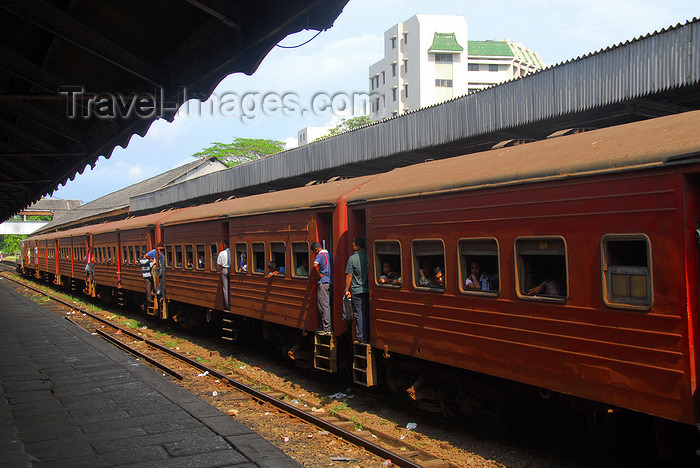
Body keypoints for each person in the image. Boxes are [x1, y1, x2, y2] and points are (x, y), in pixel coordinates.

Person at [345, 237, 369, 343]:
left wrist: (346, 289)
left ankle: (361, 337)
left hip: (357, 290)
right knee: (366, 312)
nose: (353, 247)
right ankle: (368, 335)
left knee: (359, 314)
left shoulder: (352, 259)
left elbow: (349, 275)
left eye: (354, 245)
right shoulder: (369, 255)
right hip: (367, 289)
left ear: (358, 246)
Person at [311, 241, 332, 335]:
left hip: (323, 282)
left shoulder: (320, 255)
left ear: (316, 249)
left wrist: (319, 274)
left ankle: (326, 328)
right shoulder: (329, 254)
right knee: (327, 304)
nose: (314, 254)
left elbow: (315, 265)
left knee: (323, 305)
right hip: (330, 281)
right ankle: (327, 326)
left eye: (314, 252)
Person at [217, 240, 230, 310]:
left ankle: (228, 305)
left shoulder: (222, 253)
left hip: (224, 270)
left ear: (225, 245)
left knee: (225, 288)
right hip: (231, 270)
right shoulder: (232, 252)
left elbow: (219, 263)